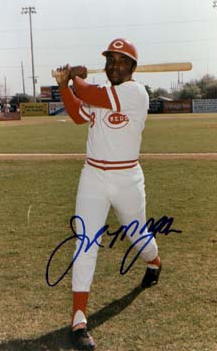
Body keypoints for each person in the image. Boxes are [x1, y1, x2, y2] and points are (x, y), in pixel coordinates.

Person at [53, 38, 162, 350]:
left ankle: (154, 261)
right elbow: (78, 114)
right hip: (94, 177)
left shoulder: (135, 92)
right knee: (85, 241)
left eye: (122, 61)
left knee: (137, 234)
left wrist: (75, 76)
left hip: (127, 178)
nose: (115, 65)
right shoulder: (104, 93)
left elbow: (87, 93)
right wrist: (65, 86)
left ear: (132, 67)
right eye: (111, 60)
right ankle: (78, 318)